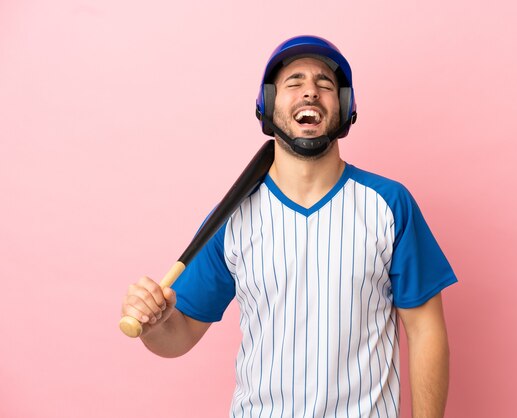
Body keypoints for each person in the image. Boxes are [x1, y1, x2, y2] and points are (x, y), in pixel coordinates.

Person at [121, 35, 458, 418]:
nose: (310, 92)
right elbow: (177, 339)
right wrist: (156, 324)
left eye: (325, 85)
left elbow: (426, 331)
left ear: (346, 107)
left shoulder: (389, 204)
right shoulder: (232, 216)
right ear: (267, 105)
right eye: (294, 82)